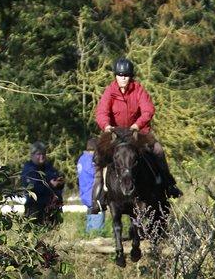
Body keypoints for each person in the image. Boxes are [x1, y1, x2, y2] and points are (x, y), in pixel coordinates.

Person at [90, 57, 182, 213]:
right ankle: (99, 196)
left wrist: (137, 125)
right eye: (120, 75)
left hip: (137, 132)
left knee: (158, 150)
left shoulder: (138, 89)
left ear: (131, 76)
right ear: (115, 76)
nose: (123, 78)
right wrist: (106, 126)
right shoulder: (109, 91)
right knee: (98, 157)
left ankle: (168, 184)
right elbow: (101, 112)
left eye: (126, 75)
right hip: (115, 133)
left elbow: (148, 110)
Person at [21, 141, 64, 225]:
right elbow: (34, 188)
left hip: (51, 207)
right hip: (35, 208)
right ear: (32, 155)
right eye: (38, 154)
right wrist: (50, 185)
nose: (42, 156)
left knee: (52, 234)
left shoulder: (49, 167)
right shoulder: (29, 170)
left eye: (43, 154)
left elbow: (57, 182)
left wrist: (59, 183)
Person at [77, 137, 105, 234]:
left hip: (84, 193)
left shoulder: (81, 159)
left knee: (90, 217)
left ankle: (89, 234)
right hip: (93, 195)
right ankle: (95, 235)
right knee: (96, 221)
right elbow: (97, 174)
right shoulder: (91, 160)